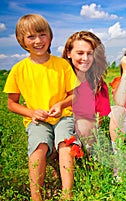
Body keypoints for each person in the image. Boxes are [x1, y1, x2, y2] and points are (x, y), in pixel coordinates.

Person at [3, 14, 81, 200]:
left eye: (42, 34)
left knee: (66, 144)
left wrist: (61, 104)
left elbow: (75, 95)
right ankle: (36, 195)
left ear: (50, 36)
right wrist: (31, 112)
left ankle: (66, 194)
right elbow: (11, 103)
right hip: (36, 120)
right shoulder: (18, 69)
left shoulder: (61, 65)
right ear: (22, 41)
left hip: (63, 116)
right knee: (39, 147)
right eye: (31, 37)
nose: (38, 41)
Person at [62, 31, 111, 149]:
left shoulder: (97, 84)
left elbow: (100, 118)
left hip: (85, 129)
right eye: (80, 53)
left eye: (90, 54)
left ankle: (84, 155)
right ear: (69, 53)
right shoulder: (59, 79)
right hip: (60, 126)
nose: (85, 58)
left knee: (83, 125)